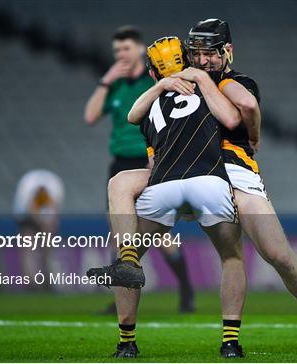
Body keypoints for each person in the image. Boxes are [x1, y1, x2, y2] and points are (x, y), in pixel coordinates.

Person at [101, 19, 297, 358]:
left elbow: (248, 107)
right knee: (133, 233)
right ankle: (147, 337)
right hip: (196, 174)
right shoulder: (178, 86)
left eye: (209, 53)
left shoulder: (233, 81)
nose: (202, 59)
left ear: (228, 51)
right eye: (196, 53)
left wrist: (252, 134)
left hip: (235, 174)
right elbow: (146, 128)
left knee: (278, 254)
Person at [87, 36, 247, 359]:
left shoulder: (150, 106)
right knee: (231, 257)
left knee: (125, 254)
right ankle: (230, 342)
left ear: (152, 74)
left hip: (164, 183)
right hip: (209, 182)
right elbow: (233, 120)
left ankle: (126, 342)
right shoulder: (211, 86)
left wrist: (161, 87)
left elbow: (136, 123)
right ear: (189, 61)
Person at [83, 25, 194, 312]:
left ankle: (186, 290)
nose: (121, 54)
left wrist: (154, 157)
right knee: (119, 233)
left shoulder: (154, 80)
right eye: (117, 50)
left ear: (139, 49)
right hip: (120, 164)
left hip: (148, 161)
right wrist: (106, 80)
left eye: (126, 48)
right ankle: (121, 292)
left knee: (159, 235)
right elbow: (91, 116)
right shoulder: (116, 86)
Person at [13, 169, 64, 288]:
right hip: (26, 217)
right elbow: (31, 208)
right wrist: (41, 221)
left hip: (45, 216)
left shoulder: (55, 188)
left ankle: (47, 277)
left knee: (48, 247)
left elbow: (55, 210)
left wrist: (49, 224)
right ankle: (30, 281)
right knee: (28, 247)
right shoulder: (28, 189)